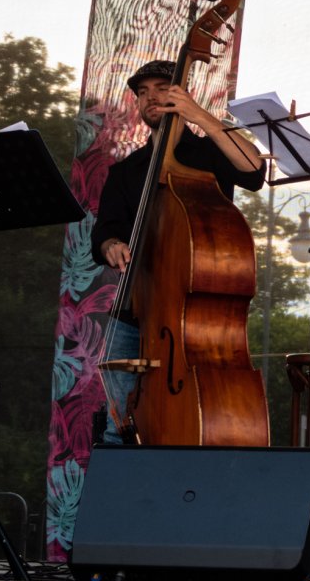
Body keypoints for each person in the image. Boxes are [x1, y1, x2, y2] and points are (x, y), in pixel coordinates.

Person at [91, 59, 265, 443]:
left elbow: (254, 173)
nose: (151, 97)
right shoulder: (126, 171)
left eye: (161, 88)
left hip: (192, 315)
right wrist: (112, 245)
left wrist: (200, 116)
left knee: (194, 421)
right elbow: (103, 233)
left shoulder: (208, 153)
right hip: (132, 310)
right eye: (143, 92)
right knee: (119, 429)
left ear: (181, 94)